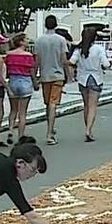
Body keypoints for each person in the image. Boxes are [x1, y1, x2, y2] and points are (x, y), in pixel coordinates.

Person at [34, 16, 69, 146]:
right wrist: (69, 74)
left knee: (48, 104)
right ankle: (49, 133)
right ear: (55, 25)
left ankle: (50, 128)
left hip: (45, 75)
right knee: (54, 103)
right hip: (58, 75)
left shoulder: (39, 40)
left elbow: (36, 61)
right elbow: (64, 59)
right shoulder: (61, 40)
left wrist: (34, 76)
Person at [70, 27, 107, 142]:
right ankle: (88, 130)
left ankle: (88, 128)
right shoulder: (99, 49)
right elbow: (106, 63)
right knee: (92, 106)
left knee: (86, 105)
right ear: (95, 37)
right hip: (96, 78)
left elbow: (71, 62)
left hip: (82, 79)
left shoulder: (79, 50)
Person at [4, 33, 36, 145]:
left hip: (13, 80)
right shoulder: (28, 55)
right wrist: (35, 83)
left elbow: (6, 69)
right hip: (25, 81)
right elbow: (32, 71)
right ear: (21, 42)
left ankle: (10, 130)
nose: (28, 41)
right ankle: (21, 136)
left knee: (13, 110)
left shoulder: (9, 55)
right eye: (26, 39)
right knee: (22, 113)